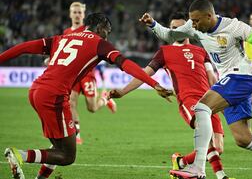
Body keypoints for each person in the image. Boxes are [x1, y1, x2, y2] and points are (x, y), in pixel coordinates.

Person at [140, 0, 252, 179]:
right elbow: (169, 35)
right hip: (230, 80)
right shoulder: (194, 26)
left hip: (241, 76)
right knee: (243, 139)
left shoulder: (233, 27)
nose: (193, 25)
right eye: (191, 21)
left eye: (196, 21)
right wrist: (153, 24)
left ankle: (197, 168)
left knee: (202, 107)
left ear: (209, 16)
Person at [1, 13, 173, 179]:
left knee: (62, 142)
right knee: (68, 156)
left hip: (36, 90)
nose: (107, 36)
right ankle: (20, 155)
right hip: (54, 96)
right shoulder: (99, 43)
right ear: (99, 27)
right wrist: (154, 84)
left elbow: (23, 47)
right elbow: (126, 64)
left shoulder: (61, 38)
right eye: (107, 31)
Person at [110, 12, 233, 179]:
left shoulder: (201, 51)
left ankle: (181, 162)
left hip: (210, 100)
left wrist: (224, 99)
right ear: (170, 30)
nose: (178, 31)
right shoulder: (164, 52)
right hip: (189, 100)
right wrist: (123, 92)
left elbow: (212, 78)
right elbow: (145, 73)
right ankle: (221, 176)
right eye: (174, 28)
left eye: (181, 28)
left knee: (218, 147)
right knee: (206, 136)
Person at [65, 2, 117, 145]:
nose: (77, 15)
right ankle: (77, 134)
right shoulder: (66, 33)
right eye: (74, 12)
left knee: (92, 108)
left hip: (88, 73)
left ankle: (105, 99)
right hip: (74, 74)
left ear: (83, 15)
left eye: (79, 12)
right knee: (71, 103)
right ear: (70, 14)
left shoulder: (89, 30)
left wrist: (101, 68)